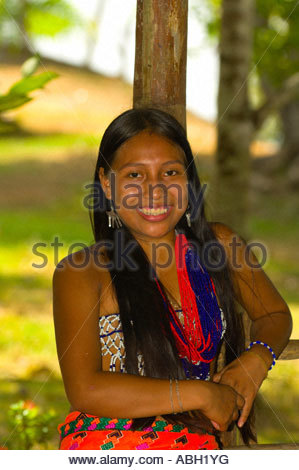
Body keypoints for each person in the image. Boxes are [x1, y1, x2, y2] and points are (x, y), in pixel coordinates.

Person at [53, 108, 292, 450]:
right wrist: (200, 393)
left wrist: (257, 358)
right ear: (107, 184)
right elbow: (85, 390)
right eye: (135, 175)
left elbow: (274, 315)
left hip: (194, 444)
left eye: (170, 172)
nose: (155, 189)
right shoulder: (81, 272)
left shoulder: (219, 245)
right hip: (106, 444)